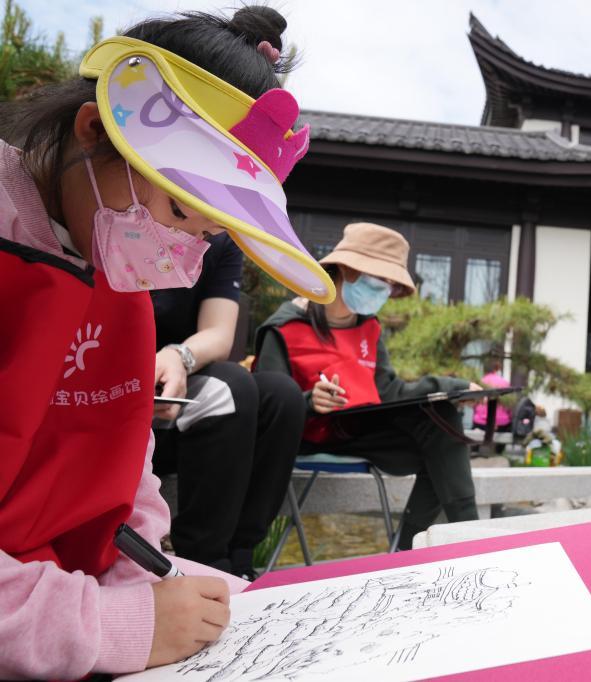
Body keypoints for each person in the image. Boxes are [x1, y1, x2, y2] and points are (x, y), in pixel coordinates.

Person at [0, 7, 333, 678]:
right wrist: (113, 625)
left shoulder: (112, 263)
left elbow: (127, 471)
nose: (179, 252)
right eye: (180, 209)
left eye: (208, 235)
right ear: (94, 129)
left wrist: (150, 582)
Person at [254, 222, 483, 550]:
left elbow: (388, 392)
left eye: (390, 286)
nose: (384, 292)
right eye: (380, 282)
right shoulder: (284, 327)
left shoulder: (369, 328)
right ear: (347, 270)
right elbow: (266, 406)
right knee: (441, 454)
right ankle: (461, 541)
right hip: (303, 438)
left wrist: (453, 388)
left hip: (358, 431)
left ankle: (419, 546)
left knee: (443, 423)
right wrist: (308, 401)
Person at [151, 233, 306, 580]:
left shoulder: (220, 241)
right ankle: (203, 561)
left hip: (185, 387)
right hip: (129, 396)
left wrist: (178, 356)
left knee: (283, 397)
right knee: (230, 386)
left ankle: (240, 558)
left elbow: (219, 335)